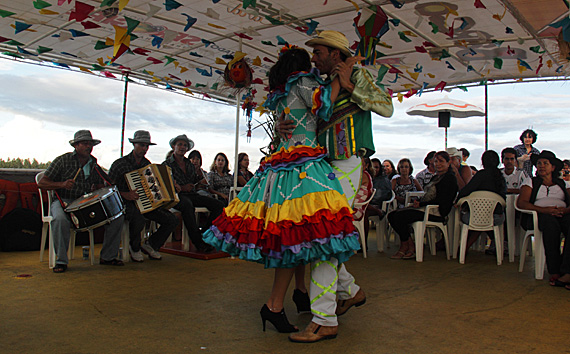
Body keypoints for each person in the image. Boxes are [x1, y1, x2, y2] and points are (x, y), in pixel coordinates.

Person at [204, 45, 361, 340]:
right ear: (301, 66)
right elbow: (324, 103)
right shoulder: (304, 82)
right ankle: (276, 305)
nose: (315, 62)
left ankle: (300, 294)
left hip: (280, 165)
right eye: (311, 58)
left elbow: (285, 126)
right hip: (303, 164)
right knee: (299, 232)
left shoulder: (279, 93)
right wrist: (341, 78)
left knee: (296, 232)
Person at [276, 31, 394, 342]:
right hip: (322, 164)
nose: (313, 57)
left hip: (346, 161)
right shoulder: (321, 82)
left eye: (318, 51)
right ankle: (350, 291)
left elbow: (386, 107)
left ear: (335, 53)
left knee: (323, 237)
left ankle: (325, 318)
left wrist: (352, 86)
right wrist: (282, 123)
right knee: (321, 235)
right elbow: (307, 114)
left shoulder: (358, 74)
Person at [37, 130, 124, 273]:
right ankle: (61, 261)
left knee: (117, 217)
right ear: (76, 145)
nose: (88, 147)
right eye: (85, 144)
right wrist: (62, 184)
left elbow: (98, 185)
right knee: (59, 219)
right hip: (63, 200)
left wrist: (100, 188)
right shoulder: (63, 160)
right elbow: (42, 183)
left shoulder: (93, 163)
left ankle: (108, 257)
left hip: (85, 202)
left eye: (90, 144)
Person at [108, 130, 178, 262]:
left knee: (171, 219)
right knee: (138, 217)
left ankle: (151, 245)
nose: (144, 149)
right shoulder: (120, 164)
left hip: (145, 203)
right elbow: (109, 188)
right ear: (134, 145)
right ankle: (134, 247)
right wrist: (125, 194)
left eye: (146, 146)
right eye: (141, 145)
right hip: (124, 203)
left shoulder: (147, 164)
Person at [387, 151, 458, 259]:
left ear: (448, 163)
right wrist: (419, 202)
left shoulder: (449, 179)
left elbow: (441, 200)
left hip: (435, 212)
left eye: (441, 161)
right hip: (425, 208)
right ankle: (410, 245)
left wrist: (421, 203)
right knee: (392, 215)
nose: (438, 164)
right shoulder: (436, 177)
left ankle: (405, 247)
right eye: (436, 161)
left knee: (399, 217)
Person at [516, 150, 570, 289]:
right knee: (551, 226)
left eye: (545, 163)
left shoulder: (563, 184)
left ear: (553, 167)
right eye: (539, 163)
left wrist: (564, 210)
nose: (541, 166)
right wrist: (546, 210)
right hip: (540, 215)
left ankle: (567, 271)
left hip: (562, 214)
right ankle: (555, 270)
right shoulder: (531, 182)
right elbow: (521, 203)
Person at [162, 134, 224, 253]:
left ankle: (202, 233)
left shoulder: (189, 164)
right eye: (180, 144)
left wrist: (200, 182)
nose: (182, 147)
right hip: (176, 197)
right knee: (187, 205)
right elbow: (164, 185)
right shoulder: (167, 164)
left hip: (191, 195)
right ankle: (198, 242)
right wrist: (178, 187)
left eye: (185, 145)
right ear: (174, 146)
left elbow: (193, 183)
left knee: (219, 205)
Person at [456, 150, 507, 252]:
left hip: (475, 216)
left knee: (477, 219)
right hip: (496, 217)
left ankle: (463, 249)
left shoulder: (481, 175)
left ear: (483, 162)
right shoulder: (500, 177)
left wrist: (457, 202)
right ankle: (500, 244)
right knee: (485, 219)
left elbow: (466, 190)